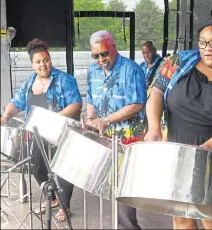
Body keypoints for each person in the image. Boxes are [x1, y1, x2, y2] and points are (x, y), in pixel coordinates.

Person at [144, 15, 212, 229]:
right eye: (202, 42)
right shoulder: (178, 61)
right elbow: (156, 93)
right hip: (176, 147)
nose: (207, 48)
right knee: (181, 217)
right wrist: (155, 127)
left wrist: (207, 148)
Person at [0, 38, 82, 222]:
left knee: (63, 169)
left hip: (61, 131)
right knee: (36, 166)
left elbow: (76, 104)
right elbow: (16, 103)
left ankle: (64, 206)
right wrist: (6, 116)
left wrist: (54, 118)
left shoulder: (64, 80)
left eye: (46, 60)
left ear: (50, 59)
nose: (43, 65)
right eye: (38, 62)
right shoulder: (29, 82)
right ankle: (52, 198)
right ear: (32, 65)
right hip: (37, 133)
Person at [86, 31, 146, 229]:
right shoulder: (92, 72)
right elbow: (91, 100)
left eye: (105, 53)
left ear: (114, 48)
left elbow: (137, 104)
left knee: (124, 193)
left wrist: (106, 120)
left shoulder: (132, 70)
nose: (101, 59)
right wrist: (90, 120)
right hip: (105, 138)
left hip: (128, 138)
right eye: (96, 56)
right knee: (109, 187)